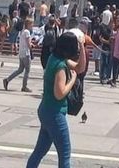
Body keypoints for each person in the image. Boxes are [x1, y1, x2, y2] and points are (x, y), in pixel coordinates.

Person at [26, 31, 86, 168]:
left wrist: (83, 46)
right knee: (64, 154)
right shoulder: (60, 66)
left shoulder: (55, 57)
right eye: (75, 47)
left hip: (46, 110)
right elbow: (60, 93)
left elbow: (80, 67)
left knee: (39, 151)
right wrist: (73, 80)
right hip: (55, 113)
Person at [3, 18, 34, 92]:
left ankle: (7, 80)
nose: (32, 25)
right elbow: (29, 45)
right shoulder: (27, 32)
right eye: (31, 24)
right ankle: (24, 86)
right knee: (27, 70)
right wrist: (33, 45)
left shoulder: (22, 31)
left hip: (21, 53)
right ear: (28, 24)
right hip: (26, 53)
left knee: (20, 69)